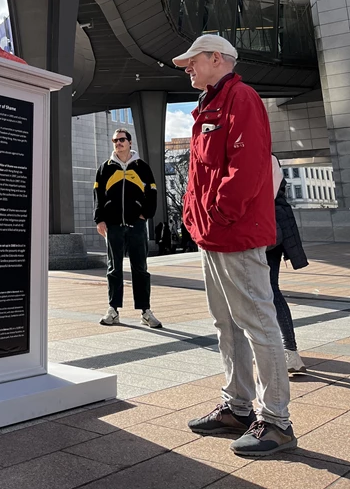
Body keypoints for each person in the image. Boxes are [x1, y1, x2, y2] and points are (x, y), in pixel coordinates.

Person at [173, 34, 296, 457]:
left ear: (216, 58)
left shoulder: (241, 98)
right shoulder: (210, 103)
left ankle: (277, 421)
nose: (187, 67)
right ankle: (238, 407)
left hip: (235, 233)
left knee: (259, 324)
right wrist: (197, 217)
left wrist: (219, 213)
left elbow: (247, 166)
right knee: (226, 325)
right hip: (213, 234)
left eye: (192, 60)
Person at [93, 129, 162, 328]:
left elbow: (152, 192)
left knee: (140, 269)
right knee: (113, 268)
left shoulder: (142, 167)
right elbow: (98, 196)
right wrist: (100, 219)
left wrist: (144, 215)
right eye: (115, 140)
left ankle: (145, 311)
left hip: (137, 225)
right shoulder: (104, 168)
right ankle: (113, 310)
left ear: (130, 142)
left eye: (122, 140)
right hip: (113, 225)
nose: (118, 143)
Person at [269, 155, 308, 374]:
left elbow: (265, 195)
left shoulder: (268, 159)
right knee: (267, 291)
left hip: (268, 232)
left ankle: (290, 351)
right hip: (268, 231)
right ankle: (284, 350)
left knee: (270, 291)